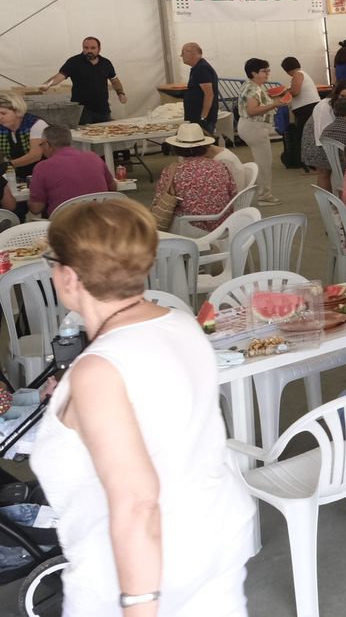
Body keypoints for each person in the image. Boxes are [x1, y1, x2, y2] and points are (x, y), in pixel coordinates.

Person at [32, 198, 253, 616]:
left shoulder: (99, 370)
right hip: (213, 543)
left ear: (69, 276)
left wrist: (138, 606)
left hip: (136, 576)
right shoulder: (178, 323)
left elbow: (137, 502)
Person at [153, 123, 237, 231]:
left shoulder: (171, 171)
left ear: (176, 148)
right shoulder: (220, 165)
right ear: (205, 145)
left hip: (190, 227)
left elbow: (159, 200)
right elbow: (233, 193)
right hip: (223, 224)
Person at [26, 124, 117, 218]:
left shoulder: (42, 167)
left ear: (47, 144)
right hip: (99, 219)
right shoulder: (93, 157)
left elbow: (36, 208)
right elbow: (113, 188)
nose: (42, 148)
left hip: (64, 224)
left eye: (42, 144)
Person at [237, 57, 289, 206]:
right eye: (264, 71)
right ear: (254, 73)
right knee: (264, 163)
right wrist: (275, 104)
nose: (267, 74)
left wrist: (273, 99)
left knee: (263, 161)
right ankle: (264, 196)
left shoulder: (251, 85)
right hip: (254, 127)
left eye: (268, 70)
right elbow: (252, 110)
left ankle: (264, 194)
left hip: (250, 126)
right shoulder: (253, 88)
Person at [42, 36, 125, 124]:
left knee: (106, 134)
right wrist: (48, 84)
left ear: (99, 49)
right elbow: (60, 76)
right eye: (86, 48)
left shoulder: (106, 63)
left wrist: (120, 93)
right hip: (81, 110)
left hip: (102, 109)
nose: (89, 51)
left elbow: (114, 80)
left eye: (93, 48)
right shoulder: (74, 62)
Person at [302, 80, 346, 190]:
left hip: (334, 137)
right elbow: (323, 133)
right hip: (318, 140)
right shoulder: (324, 106)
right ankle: (329, 204)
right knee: (324, 172)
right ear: (336, 94)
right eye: (342, 96)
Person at [278, 56, 322, 171]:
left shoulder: (297, 75)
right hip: (307, 109)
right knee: (307, 135)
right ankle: (308, 161)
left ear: (286, 69)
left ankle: (309, 162)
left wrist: (283, 93)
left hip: (307, 109)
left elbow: (295, 92)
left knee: (305, 136)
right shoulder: (301, 74)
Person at [0, 90, 50, 182]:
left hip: (44, 174)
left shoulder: (36, 124)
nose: (0, 117)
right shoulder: (2, 128)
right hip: (19, 176)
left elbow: (35, 155)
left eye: (3, 113)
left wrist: (8, 165)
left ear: (18, 112)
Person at [177, 42, 219, 134]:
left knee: (202, 145)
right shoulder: (197, 68)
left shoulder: (202, 69)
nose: (181, 55)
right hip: (196, 116)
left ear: (193, 53)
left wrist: (203, 117)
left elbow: (209, 94)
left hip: (201, 118)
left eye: (183, 52)